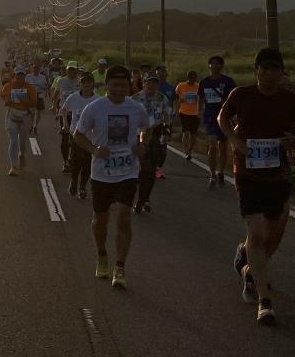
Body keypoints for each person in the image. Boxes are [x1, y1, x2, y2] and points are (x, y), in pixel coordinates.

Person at [219, 49, 295, 326]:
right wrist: (235, 141)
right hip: (247, 172)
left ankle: (248, 265)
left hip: (278, 175)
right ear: (256, 69)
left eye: (276, 69)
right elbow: (222, 119)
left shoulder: (290, 99)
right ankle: (264, 300)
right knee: (257, 234)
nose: (271, 74)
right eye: (266, 68)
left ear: (282, 72)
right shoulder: (242, 95)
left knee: (273, 235)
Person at [72, 66, 148, 288]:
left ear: (129, 86)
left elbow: (146, 127)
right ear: (106, 86)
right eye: (114, 85)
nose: (119, 89)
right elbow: (78, 135)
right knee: (100, 221)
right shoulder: (94, 108)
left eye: (123, 85)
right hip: (102, 173)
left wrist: (142, 143)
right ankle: (102, 254)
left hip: (128, 171)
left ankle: (120, 267)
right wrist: (95, 150)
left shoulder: (136, 108)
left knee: (124, 217)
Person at [132, 72, 173, 213]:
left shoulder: (162, 98)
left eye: (155, 82)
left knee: (150, 170)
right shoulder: (135, 99)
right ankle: (139, 195)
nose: (152, 85)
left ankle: (144, 200)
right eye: (149, 82)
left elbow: (167, 113)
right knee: (141, 169)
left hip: (155, 134)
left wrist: (167, 127)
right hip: (138, 136)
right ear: (144, 83)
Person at [198, 55, 237, 188]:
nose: (215, 66)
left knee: (223, 148)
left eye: (217, 64)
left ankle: (221, 172)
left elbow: (234, 98)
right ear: (209, 66)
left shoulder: (228, 81)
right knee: (213, 145)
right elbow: (201, 98)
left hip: (224, 117)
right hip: (210, 117)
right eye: (212, 63)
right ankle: (212, 174)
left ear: (221, 66)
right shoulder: (204, 82)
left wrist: (227, 105)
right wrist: (199, 112)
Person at [61, 71, 98, 199]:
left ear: (93, 84)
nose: (86, 84)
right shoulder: (74, 97)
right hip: (75, 134)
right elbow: (64, 110)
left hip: (91, 137)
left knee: (87, 163)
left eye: (89, 82)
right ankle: (74, 181)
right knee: (76, 161)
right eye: (84, 82)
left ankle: (82, 187)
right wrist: (65, 124)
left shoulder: (97, 100)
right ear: (80, 84)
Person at [0, 65, 38, 176]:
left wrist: (26, 101)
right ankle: (13, 166)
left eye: (22, 75)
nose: (19, 78)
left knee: (22, 143)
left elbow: (35, 103)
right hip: (12, 115)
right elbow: (2, 96)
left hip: (25, 116)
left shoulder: (29, 88)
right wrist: (7, 100)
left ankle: (22, 155)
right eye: (17, 75)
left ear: (24, 76)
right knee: (13, 140)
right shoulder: (8, 86)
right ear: (14, 75)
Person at [51, 61, 81, 174]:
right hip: (65, 113)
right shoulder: (61, 80)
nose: (71, 72)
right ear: (67, 70)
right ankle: (65, 162)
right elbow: (56, 94)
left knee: (76, 139)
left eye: (73, 69)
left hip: (78, 114)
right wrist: (54, 106)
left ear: (76, 70)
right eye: (69, 69)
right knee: (65, 138)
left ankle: (73, 160)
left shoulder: (80, 81)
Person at [173, 69, 202, 157]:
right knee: (185, 132)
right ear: (187, 77)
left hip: (195, 113)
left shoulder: (199, 87)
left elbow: (202, 100)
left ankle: (190, 149)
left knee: (193, 134)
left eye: (194, 77)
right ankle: (186, 151)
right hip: (184, 112)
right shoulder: (181, 86)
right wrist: (177, 108)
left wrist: (201, 111)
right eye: (191, 77)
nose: (192, 79)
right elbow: (176, 98)